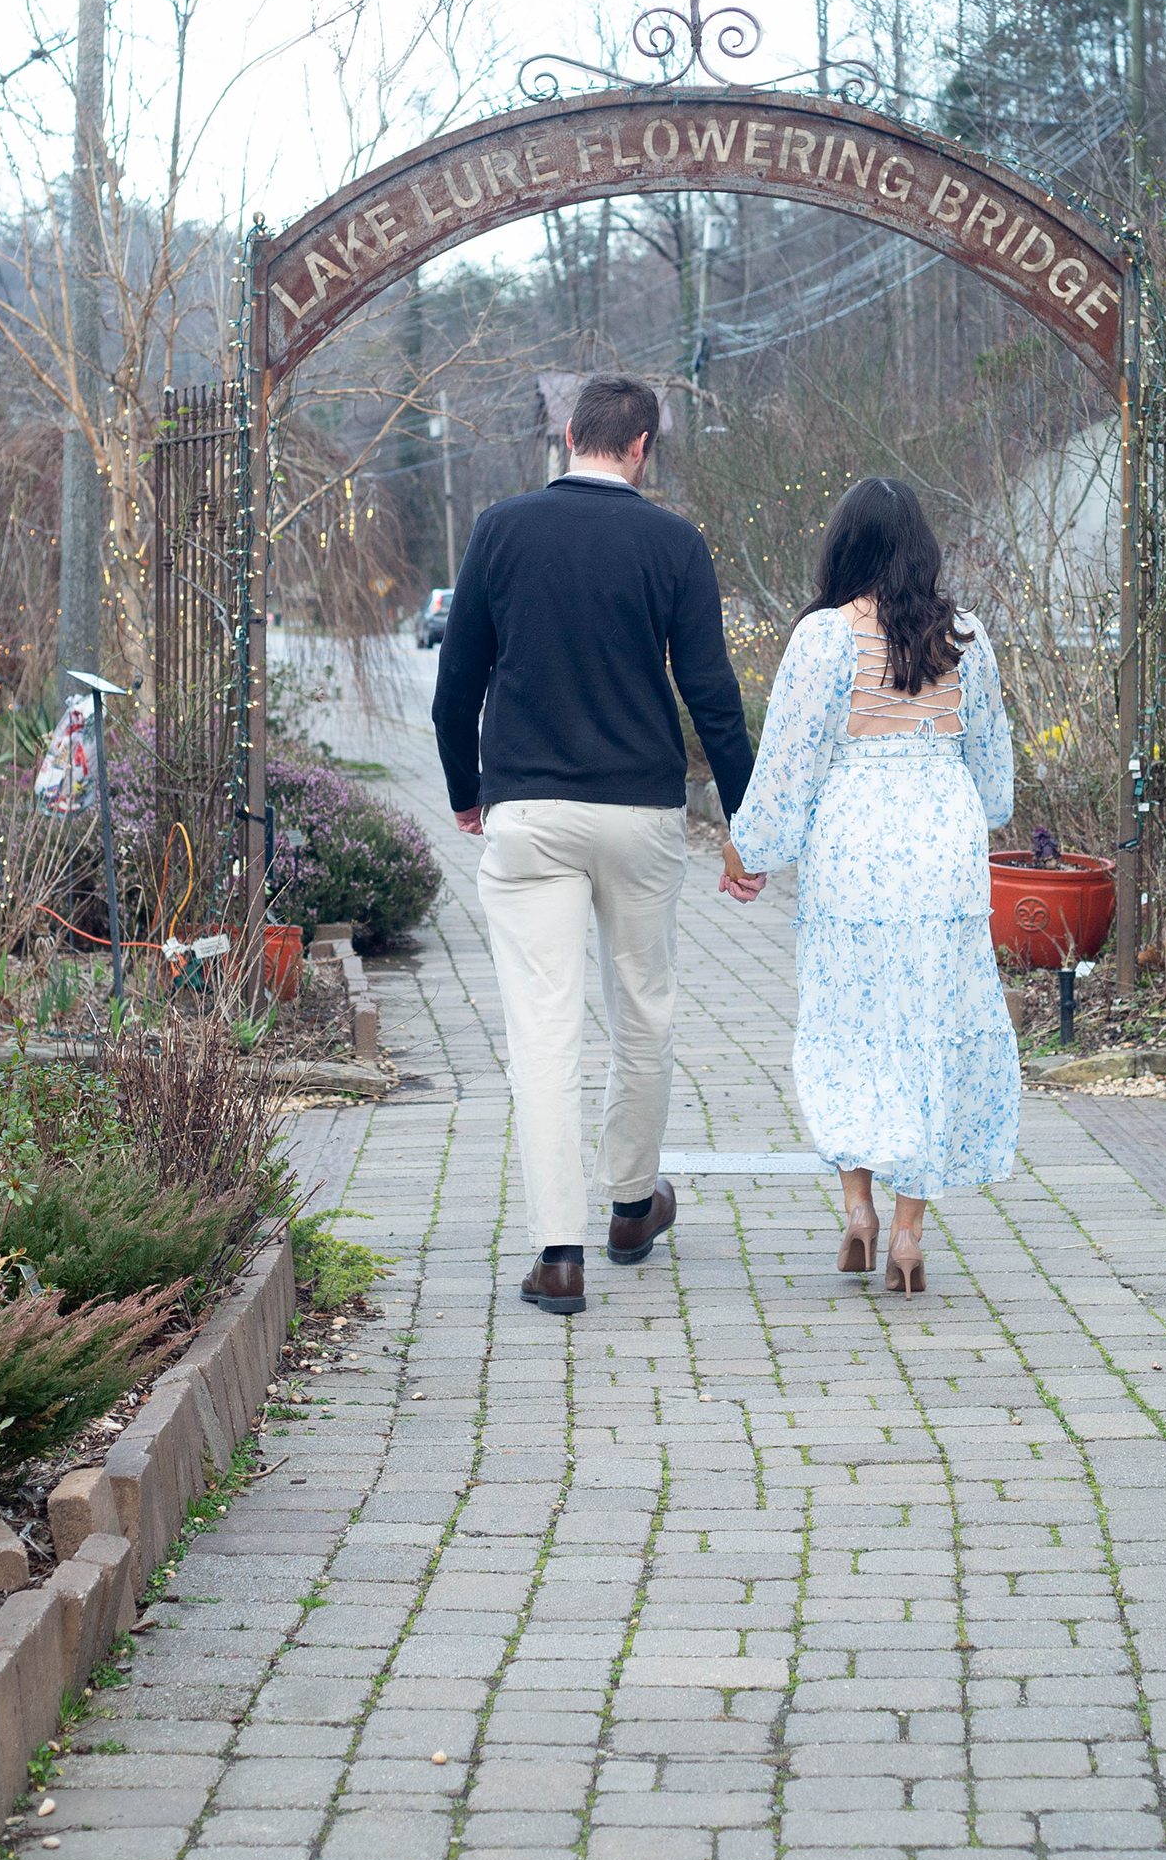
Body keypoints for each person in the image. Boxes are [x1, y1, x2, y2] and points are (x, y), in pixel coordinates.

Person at [432, 372, 756, 1318]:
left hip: (528, 810)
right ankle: (629, 1207)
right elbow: (713, 697)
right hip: (641, 814)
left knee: (542, 1030)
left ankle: (557, 1253)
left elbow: (458, 682)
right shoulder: (673, 543)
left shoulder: (500, 528)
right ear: (644, 448)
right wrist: (748, 824)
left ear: (568, 435)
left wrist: (464, 790)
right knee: (642, 1012)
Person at [725, 478, 1017, 1296]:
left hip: (853, 851)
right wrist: (969, 808)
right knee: (931, 1027)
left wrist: (747, 849)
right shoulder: (966, 638)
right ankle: (909, 1233)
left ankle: (856, 1211)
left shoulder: (822, 639)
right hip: (943, 852)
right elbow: (995, 777)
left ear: (844, 545)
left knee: (849, 1022)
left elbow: (787, 766)